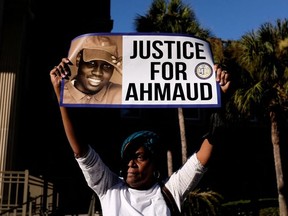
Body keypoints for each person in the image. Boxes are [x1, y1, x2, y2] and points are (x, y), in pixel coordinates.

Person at [50, 62, 230, 215]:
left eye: (140, 157)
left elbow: (201, 159)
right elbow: (81, 151)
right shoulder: (110, 188)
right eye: (128, 157)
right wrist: (62, 96)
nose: (131, 163)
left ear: (155, 165)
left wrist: (220, 99)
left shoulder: (170, 191)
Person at [61, 35, 122, 105]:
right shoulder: (59, 91)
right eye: (91, 63)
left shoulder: (121, 94)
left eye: (106, 66)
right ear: (78, 60)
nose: (98, 72)